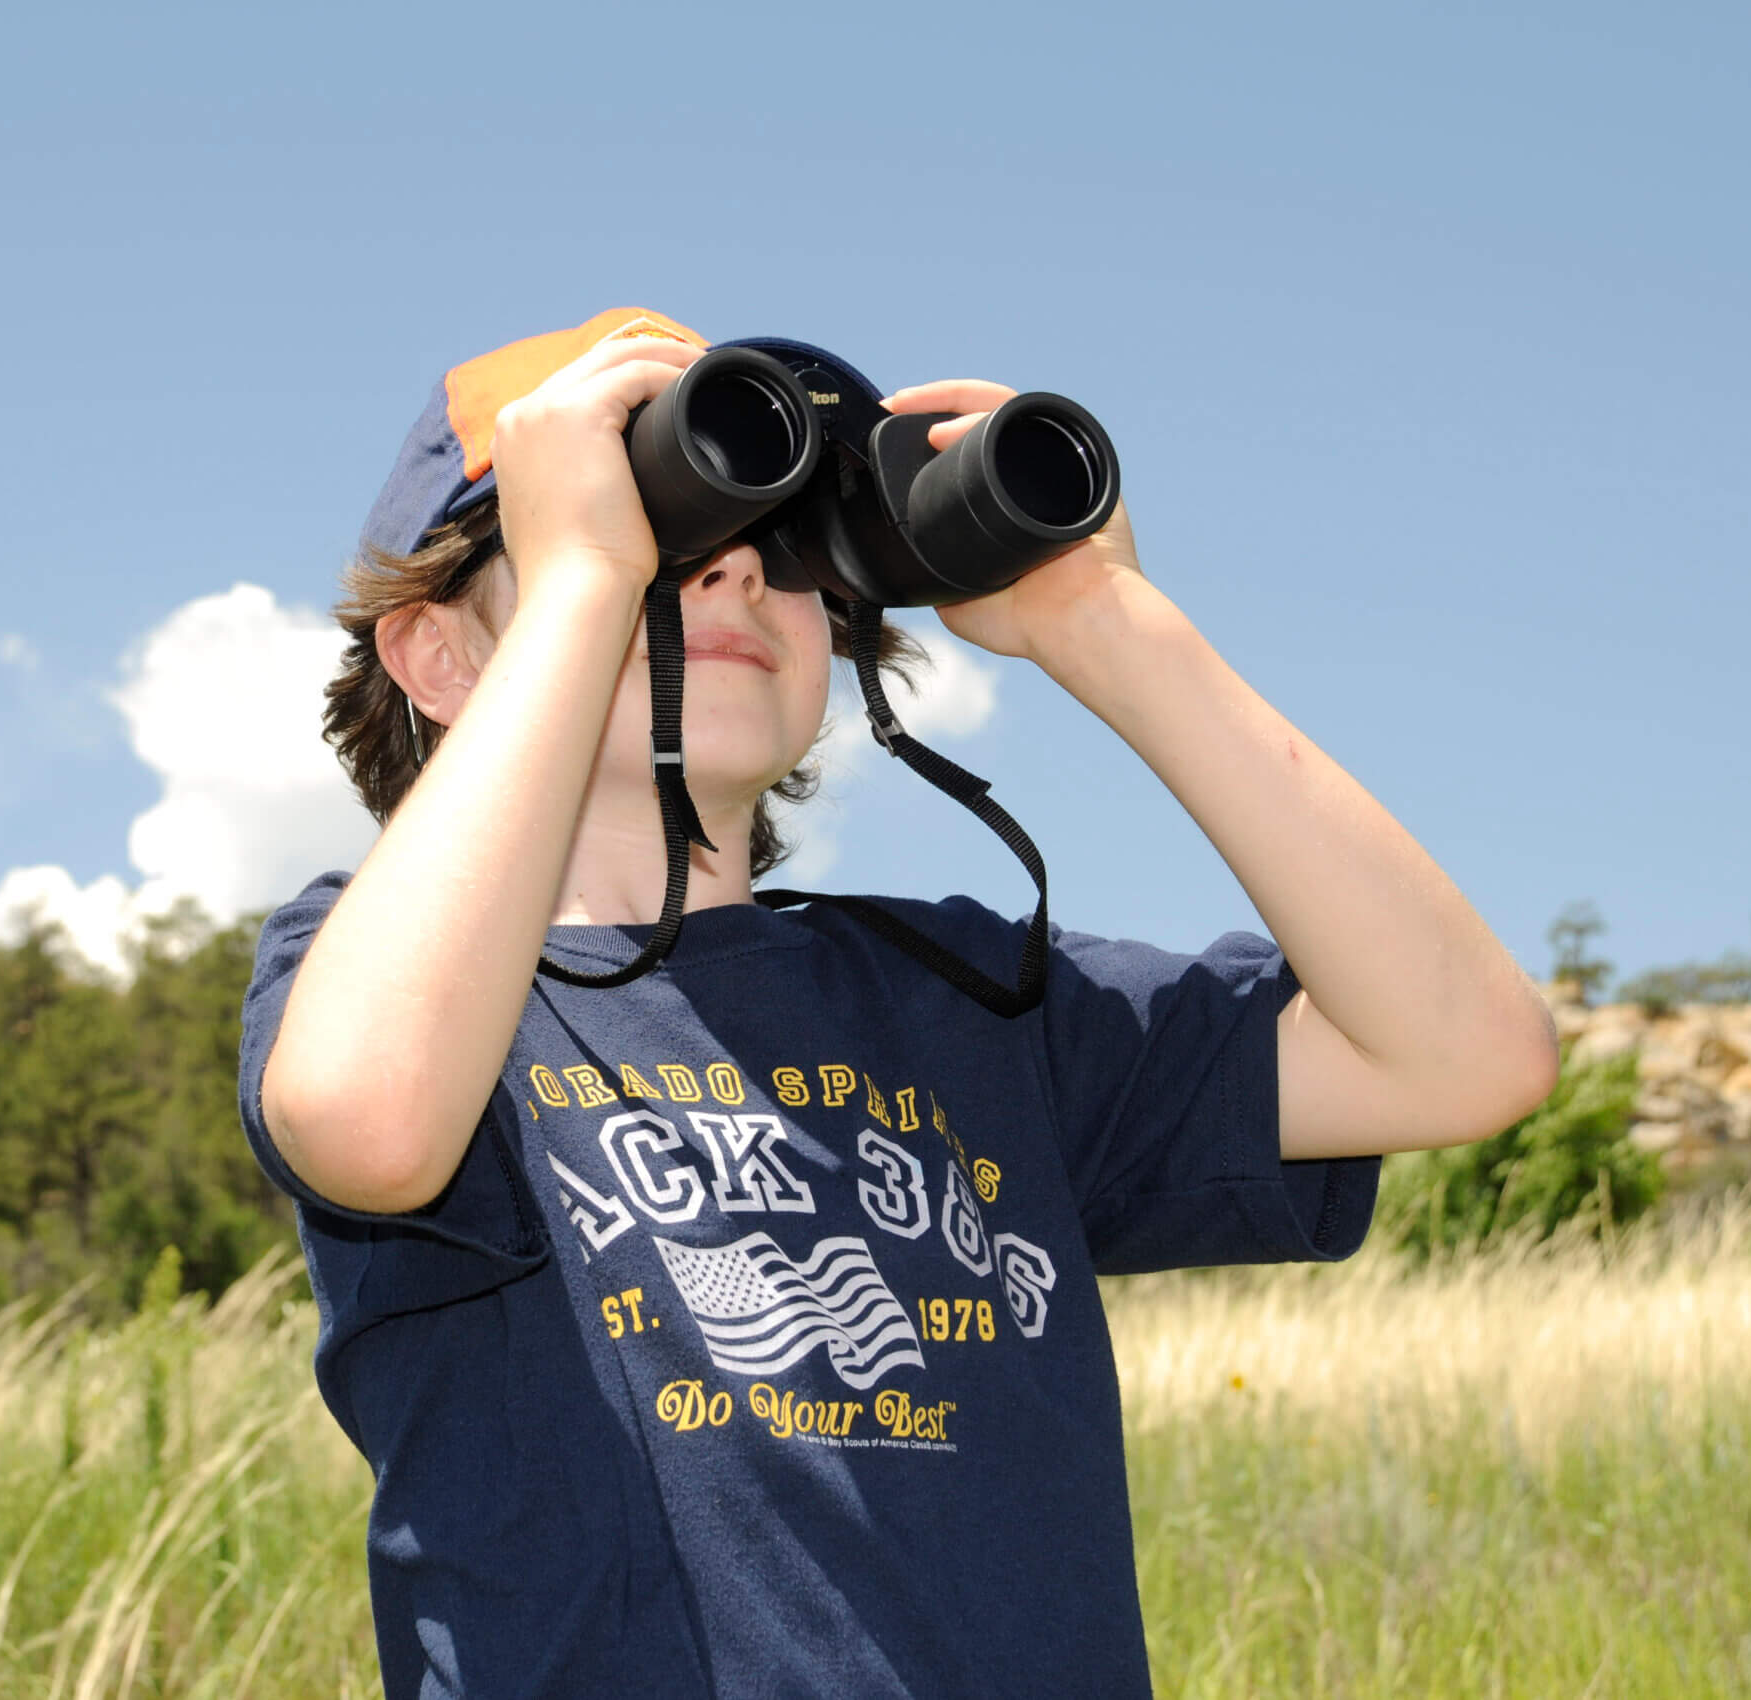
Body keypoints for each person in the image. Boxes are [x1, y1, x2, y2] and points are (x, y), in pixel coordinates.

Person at [239, 307, 1559, 1698]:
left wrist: (1105, 623)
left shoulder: (975, 1000)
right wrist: (585, 585)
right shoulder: (400, 989)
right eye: (647, 526)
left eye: (787, 547)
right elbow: (368, 1122)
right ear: (440, 658)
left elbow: (1465, 1057)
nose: (731, 567)